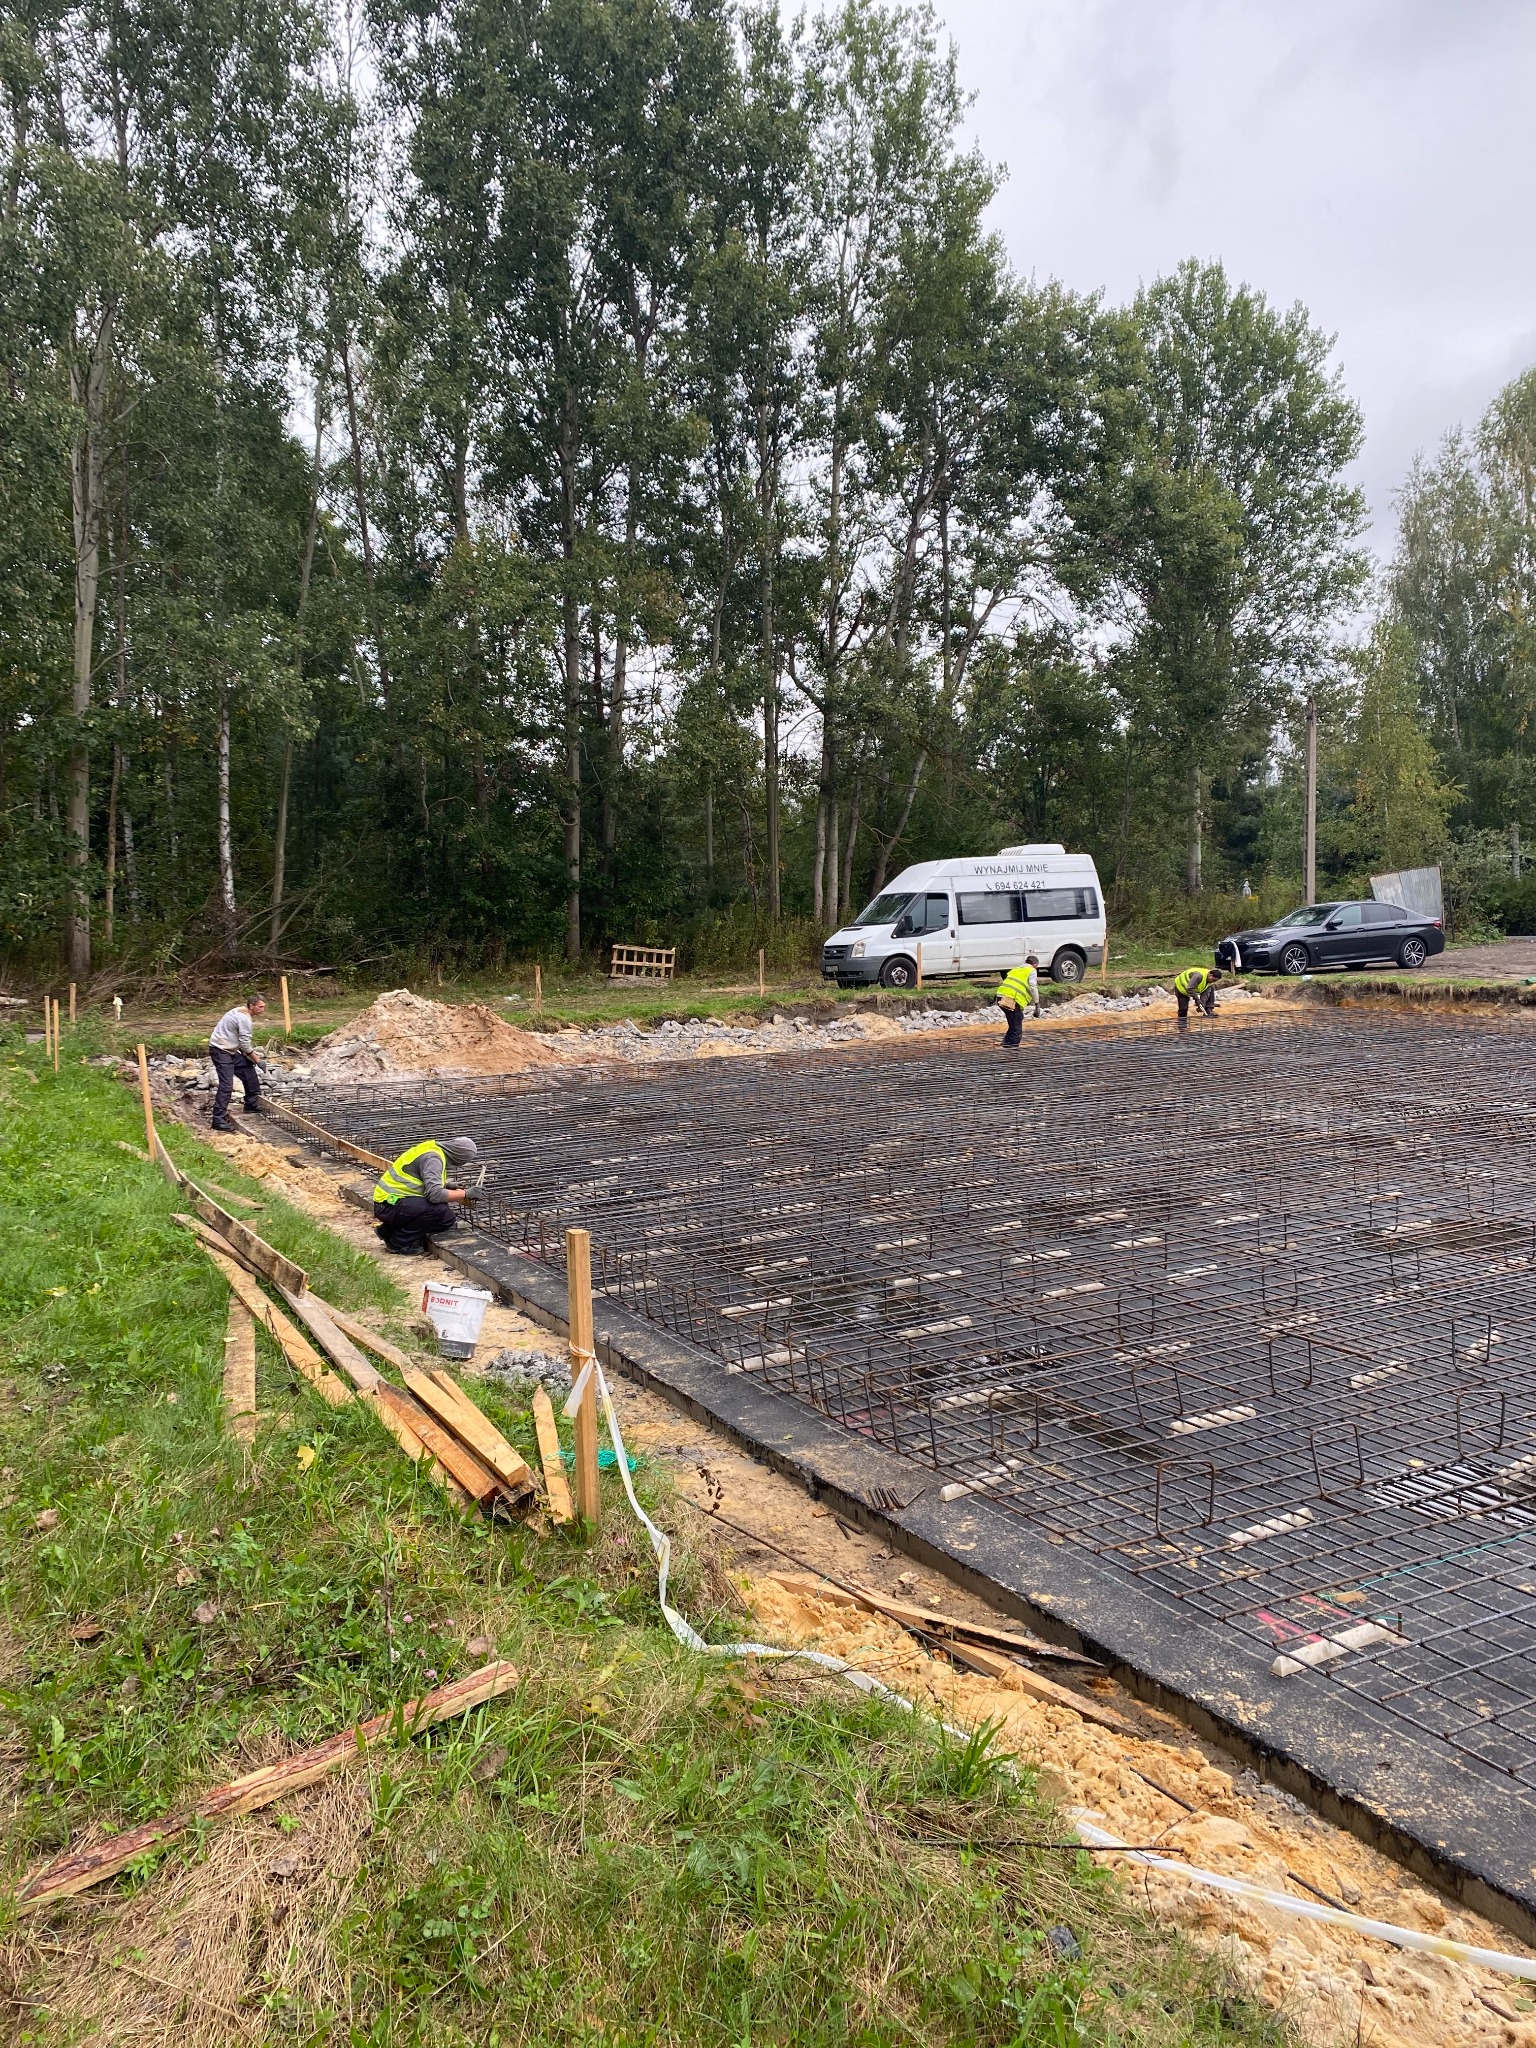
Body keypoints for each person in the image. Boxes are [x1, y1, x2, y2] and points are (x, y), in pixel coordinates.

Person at [372, 1136, 479, 1254]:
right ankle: (399, 1242)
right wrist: (466, 1193)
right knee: (437, 1209)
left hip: (394, 1201)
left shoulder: (434, 1149)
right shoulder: (433, 1159)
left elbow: (418, 1179)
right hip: (388, 1204)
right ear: (459, 1158)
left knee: (446, 1220)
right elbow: (435, 1195)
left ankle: (387, 1231)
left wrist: (447, 1186)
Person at [209, 994, 267, 1131]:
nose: (263, 1010)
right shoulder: (244, 1019)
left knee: (248, 1071)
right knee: (226, 1085)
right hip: (221, 1051)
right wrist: (258, 1060)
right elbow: (245, 1044)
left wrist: (249, 1059)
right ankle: (218, 1120)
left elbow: (239, 1041)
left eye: (264, 1007)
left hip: (230, 1050)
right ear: (251, 1006)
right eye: (260, 1007)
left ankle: (251, 1105)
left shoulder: (239, 1011)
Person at [996, 954, 1042, 1048]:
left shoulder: (1016, 969)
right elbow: (1033, 986)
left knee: (1016, 1019)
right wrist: (1037, 1003)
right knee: (1016, 1028)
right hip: (1011, 999)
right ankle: (1012, 1051)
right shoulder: (1031, 970)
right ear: (1035, 965)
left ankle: (1006, 1042)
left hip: (1000, 997)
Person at [1173, 964, 1224, 1029]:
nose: (1214, 982)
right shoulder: (1198, 976)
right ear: (1210, 975)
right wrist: (1197, 1000)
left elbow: (1205, 994)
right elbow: (1190, 989)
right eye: (1214, 980)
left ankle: (1208, 1010)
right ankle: (1182, 1027)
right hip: (1181, 988)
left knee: (1211, 989)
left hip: (1190, 988)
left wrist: (1201, 1004)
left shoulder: (1210, 982)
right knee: (1183, 1008)